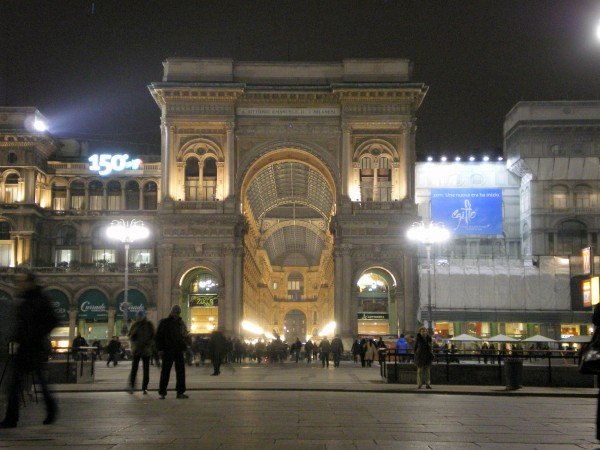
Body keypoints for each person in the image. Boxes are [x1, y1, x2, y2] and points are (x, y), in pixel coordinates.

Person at [1, 271, 58, 428]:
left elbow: (53, 321)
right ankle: (11, 418)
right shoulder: (23, 298)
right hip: (24, 347)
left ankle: (51, 408)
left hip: (35, 347)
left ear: (31, 282)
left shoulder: (41, 299)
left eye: (22, 281)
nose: (19, 284)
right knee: (14, 384)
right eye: (17, 281)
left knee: (40, 382)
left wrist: (36, 334)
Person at [156, 304, 189, 399]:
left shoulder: (181, 323)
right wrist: (160, 349)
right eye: (175, 312)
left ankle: (180, 392)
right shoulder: (164, 322)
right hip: (167, 350)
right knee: (165, 372)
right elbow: (159, 337)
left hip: (178, 350)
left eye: (178, 313)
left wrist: (185, 343)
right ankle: (162, 392)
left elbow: (183, 336)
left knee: (180, 372)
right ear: (171, 312)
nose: (176, 314)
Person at [127, 310, 155, 394]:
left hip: (146, 350)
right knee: (134, 369)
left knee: (146, 370)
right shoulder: (134, 325)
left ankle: (145, 387)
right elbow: (130, 336)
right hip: (137, 350)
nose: (138, 318)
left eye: (140, 316)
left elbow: (153, 337)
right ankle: (132, 386)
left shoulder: (149, 325)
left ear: (143, 316)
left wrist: (148, 344)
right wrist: (133, 336)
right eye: (138, 317)